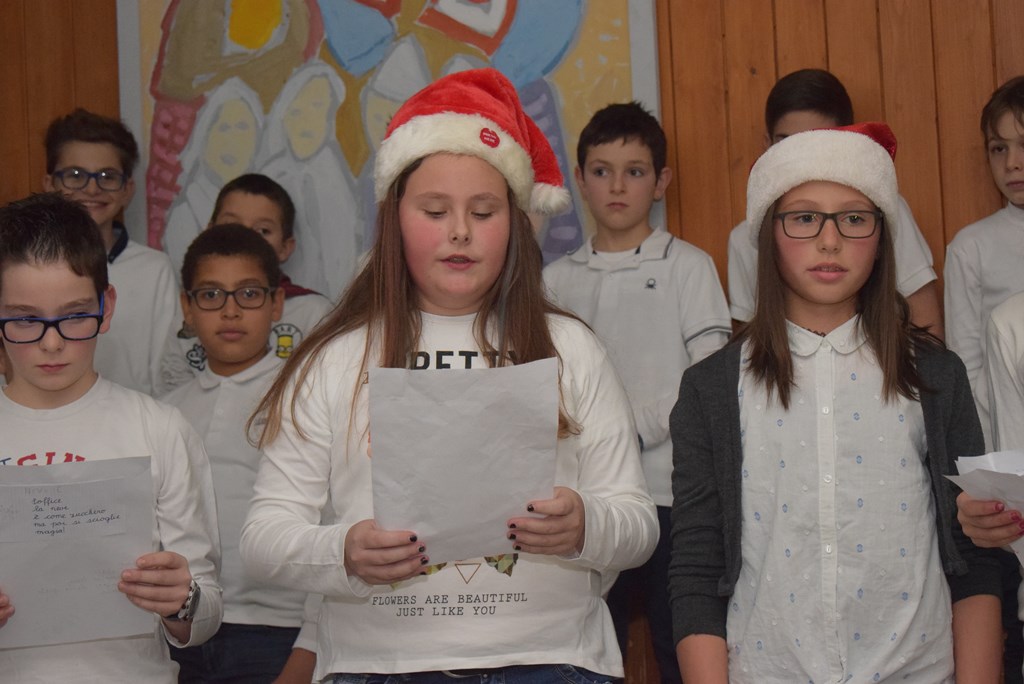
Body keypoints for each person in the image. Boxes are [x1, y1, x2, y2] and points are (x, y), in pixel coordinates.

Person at [239, 68, 659, 683]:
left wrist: (584, 526)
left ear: (515, 221)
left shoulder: (570, 347)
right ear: (394, 219)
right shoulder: (335, 357)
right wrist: (343, 551)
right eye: (435, 210)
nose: (460, 231)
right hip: (379, 665)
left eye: (483, 211)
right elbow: (263, 537)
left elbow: (638, 524)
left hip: (550, 661)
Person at [669, 123, 1004, 682]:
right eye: (804, 218)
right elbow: (697, 568)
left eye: (854, 218)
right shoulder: (712, 388)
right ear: (768, 235)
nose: (830, 241)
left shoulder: (935, 374)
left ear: (882, 235)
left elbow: (974, 557)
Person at [0, 193, 222, 682]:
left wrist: (180, 600)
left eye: (75, 315)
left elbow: (204, 615)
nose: (52, 342)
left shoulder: (158, 428)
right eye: (25, 319)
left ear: (107, 307)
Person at [543, 101, 729, 683]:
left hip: (674, 494)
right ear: (580, 180)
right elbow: (546, 390)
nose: (617, 186)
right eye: (602, 171)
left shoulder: (688, 266)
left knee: (682, 645)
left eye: (635, 171)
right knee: (593, 647)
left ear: (661, 181)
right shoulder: (554, 280)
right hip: (588, 502)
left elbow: (709, 376)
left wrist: (630, 427)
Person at [163, 224, 315, 683]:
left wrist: (308, 651)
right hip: (180, 632)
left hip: (279, 633)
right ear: (187, 307)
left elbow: (334, 527)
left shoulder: (306, 397)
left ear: (276, 303)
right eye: (211, 295)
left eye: (248, 293)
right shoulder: (165, 412)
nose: (230, 311)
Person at [727, 69, 941, 337]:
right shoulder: (745, 237)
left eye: (853, 220)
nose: (803, 156)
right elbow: (747, 340)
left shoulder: (884, 209)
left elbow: (925, 321)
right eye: (788, 144)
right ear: (767, 144)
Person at [42, 108, 179, 396]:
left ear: (127, 189)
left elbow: (168, 372)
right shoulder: (24, 266)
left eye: (107, 176)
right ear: (49, 184)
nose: (92, 189)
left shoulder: (154, 269)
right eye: (75, 175)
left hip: (132, 418)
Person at [159, 174, 332, 392]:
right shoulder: (195, 311)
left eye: (263, 231)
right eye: (232, 225)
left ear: (285, 247)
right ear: (209, 231)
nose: (245, 236)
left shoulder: (314, 312)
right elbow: (173, 386)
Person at [945, 75, 1024, 449]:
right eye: (999, 148)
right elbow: (966, 365)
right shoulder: (971, 247)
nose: (1013, 163)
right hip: (1005, 443)